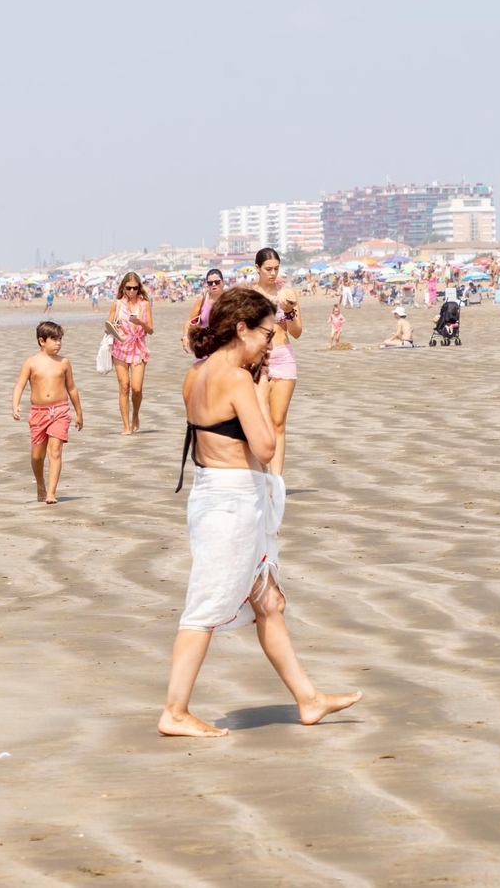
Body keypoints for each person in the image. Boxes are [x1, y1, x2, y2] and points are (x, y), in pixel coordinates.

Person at [159, 286, 362, 738]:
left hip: (219, 493)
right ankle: (174, 711)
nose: (271, 343)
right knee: (204, 607)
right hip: (231, 503)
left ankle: (308, 699)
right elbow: (266, 446)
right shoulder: (235, 379)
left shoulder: (196, 373)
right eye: (266, 334)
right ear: (241, 329)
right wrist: (263, 384)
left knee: (270, 602)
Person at [10, 321, 84, 504]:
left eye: (60, 339)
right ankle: (40, 485)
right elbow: (19, 385)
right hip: (38, 413)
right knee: (37, 456)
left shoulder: (64, 363)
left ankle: (51, 493)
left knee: (55, 452)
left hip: (60, 411)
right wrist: (15, 404)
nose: (58, 343)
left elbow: (72, 388)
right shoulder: (30, 363)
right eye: (54, 340)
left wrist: (79, 412)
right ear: (42, 341)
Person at [252, 248, 302, 475]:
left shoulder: (287, 292)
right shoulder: (250, 294)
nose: (273, 273)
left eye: (276, 269)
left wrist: (289, 312)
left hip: (283, 356)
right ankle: (262, 474)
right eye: (268, 269)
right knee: (259, 421)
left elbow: (297, 332)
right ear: (258, 268)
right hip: (257, 359)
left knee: (278, 421)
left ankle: (276, 479)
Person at [106, 271, 153, 434]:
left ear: (139, 288)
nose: (132, 291)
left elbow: (151, 330)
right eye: (128, 288)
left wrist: (140, 322)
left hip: (138, 347)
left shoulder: (144, 304)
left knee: (137, 388)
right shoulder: (117, 304)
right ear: (123, 288)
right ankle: (126, 425)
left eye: (135, 288)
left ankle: (136, 414)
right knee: (124, 386)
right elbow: (107, 328)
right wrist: (114, 328)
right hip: (120, 347)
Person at [179, 269, 224, 355]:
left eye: (217, 282)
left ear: (222, 282)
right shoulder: (203, 299)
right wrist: (185, 337)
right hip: (205, 345)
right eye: (210, 283)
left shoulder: (229, 299)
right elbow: (190, 321)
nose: (213, 285)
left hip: (224, 345)